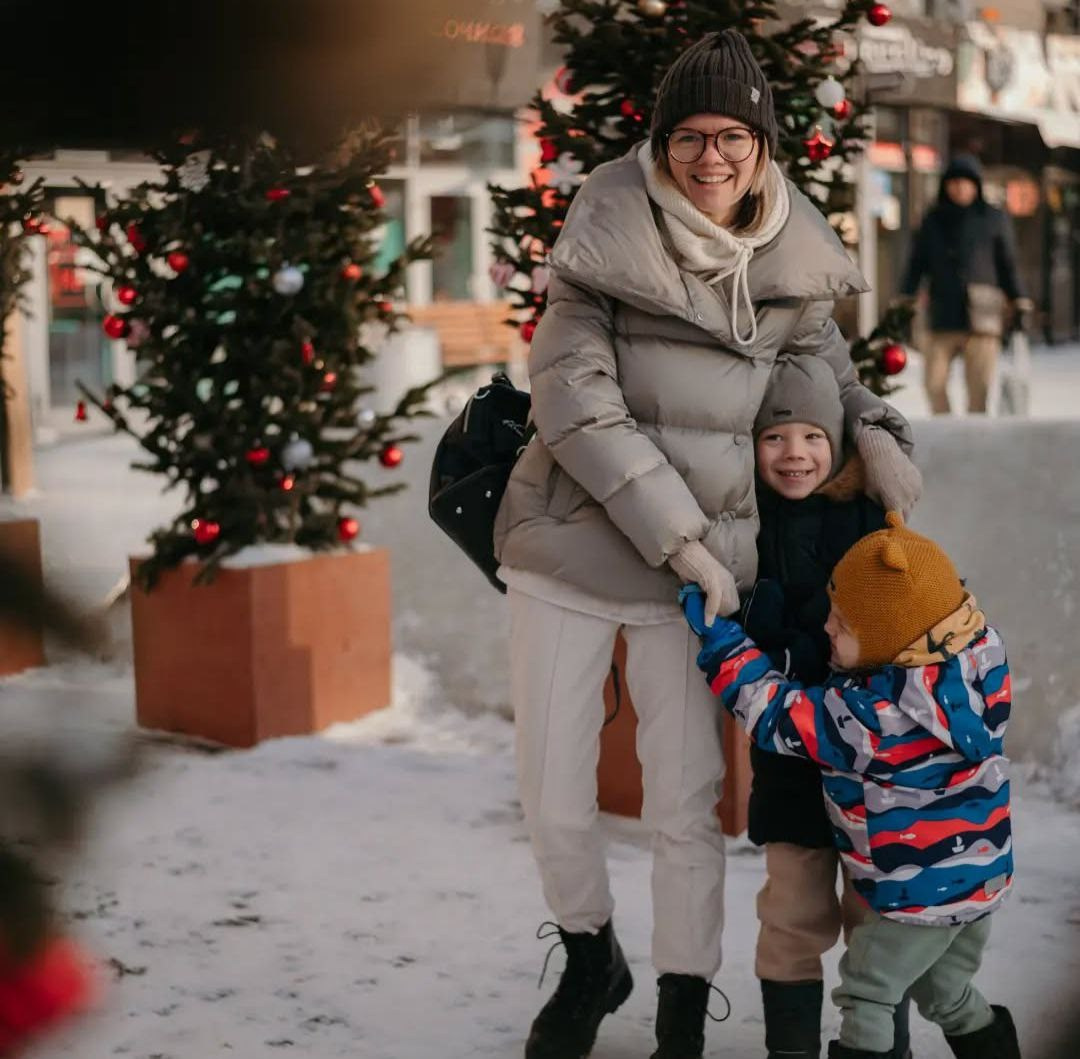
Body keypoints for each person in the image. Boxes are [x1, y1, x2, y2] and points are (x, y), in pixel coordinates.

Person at [492, 28, 921, 1059]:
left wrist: (876, 434)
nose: (710, 156)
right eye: (688, 136)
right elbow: (574, 399)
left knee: (684, 803)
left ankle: (682, 1007)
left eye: (732, 136)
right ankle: (590, 956)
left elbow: (828, 379)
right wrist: (677, 535)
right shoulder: (602, 240)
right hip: (575, 545)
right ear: (660, 144)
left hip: (702, 582)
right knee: (553, 796)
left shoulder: (792, 261)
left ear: (763, 146)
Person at [683, 514, 1019, 1059]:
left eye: (841, 623)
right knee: (948, 995)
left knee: (867, 995)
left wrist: (721, 641)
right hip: (980, 883)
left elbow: (775, 715)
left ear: (888, 641)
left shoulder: (876, 718)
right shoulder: (980, 663)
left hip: (916, 898)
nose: (826, 629)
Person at [743, 355, 913, 1059]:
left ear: (837, 443)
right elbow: (744, 622)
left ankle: (880, 1043)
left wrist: (798, 637)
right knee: (792, 909)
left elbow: (891, 614)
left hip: (875, 763)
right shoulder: (743, 523)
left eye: (813, 436)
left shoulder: (871, 516)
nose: (795, 453)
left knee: (875, 914)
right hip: (789, 758)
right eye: (775, 437)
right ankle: (790, 1046)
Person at [900, 154, 1032, 415]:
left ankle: (976, 434)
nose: (960, 188)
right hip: (942, 312)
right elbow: (917, 263)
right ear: (946, 185)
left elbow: (1007, 263)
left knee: (979, 388)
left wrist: (1019, 298)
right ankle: (946, 429)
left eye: (966, 182)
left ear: (976, 186)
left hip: (983, 314)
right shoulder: (933, 220)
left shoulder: (993, 218)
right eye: (954, 182)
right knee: (934, 383)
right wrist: (905, 297)